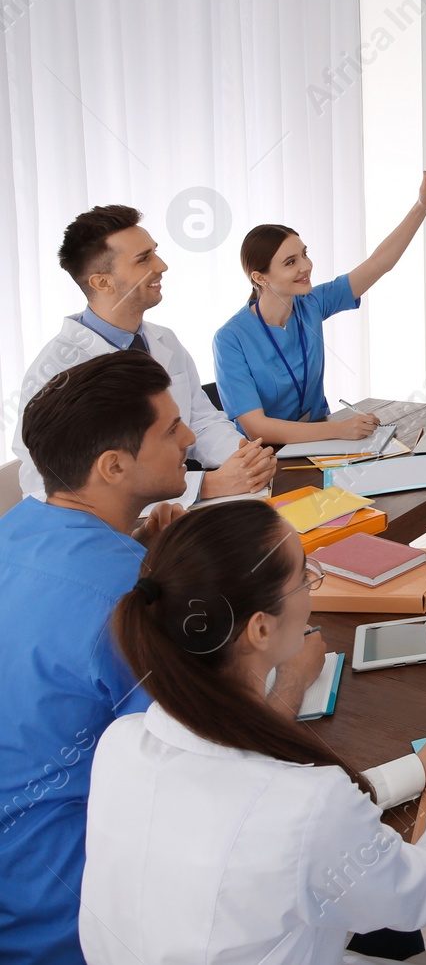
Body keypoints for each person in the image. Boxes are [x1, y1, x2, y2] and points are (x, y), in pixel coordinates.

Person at [79, 499, 426, 964]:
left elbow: (293, 817)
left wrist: (415, 768)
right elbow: (418, 892)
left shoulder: (121, 742)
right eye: (304, 577)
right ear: (261, 630)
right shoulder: (306, 803)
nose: (312, 590)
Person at [0, 351, 195, 963]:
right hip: (73, 917)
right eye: (171, 428)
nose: (190, 436)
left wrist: (136, 558)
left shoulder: (16, 529)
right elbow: (201, 756)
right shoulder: (125, 596)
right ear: (114, 465)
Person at [11, 204, 277, 505]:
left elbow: (199, 421)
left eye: (155, 252)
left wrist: (245, 457)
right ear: (102, 282)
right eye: (143, 259)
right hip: (115, 532)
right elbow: (48, 485)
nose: (161, 265)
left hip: (179, 509)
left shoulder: (165, 340)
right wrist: (204, 486)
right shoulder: (55, 373)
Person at [213, 162, 426, 444]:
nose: (306, 266)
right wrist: (340, 429)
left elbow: (379, 263)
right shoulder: (230, 339)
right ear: (260, 278)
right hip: (269, 457)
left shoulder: (311, 303)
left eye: (304, 254)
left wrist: (422, 206)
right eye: (291, 262)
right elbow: (256, 428)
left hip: (323, 442)